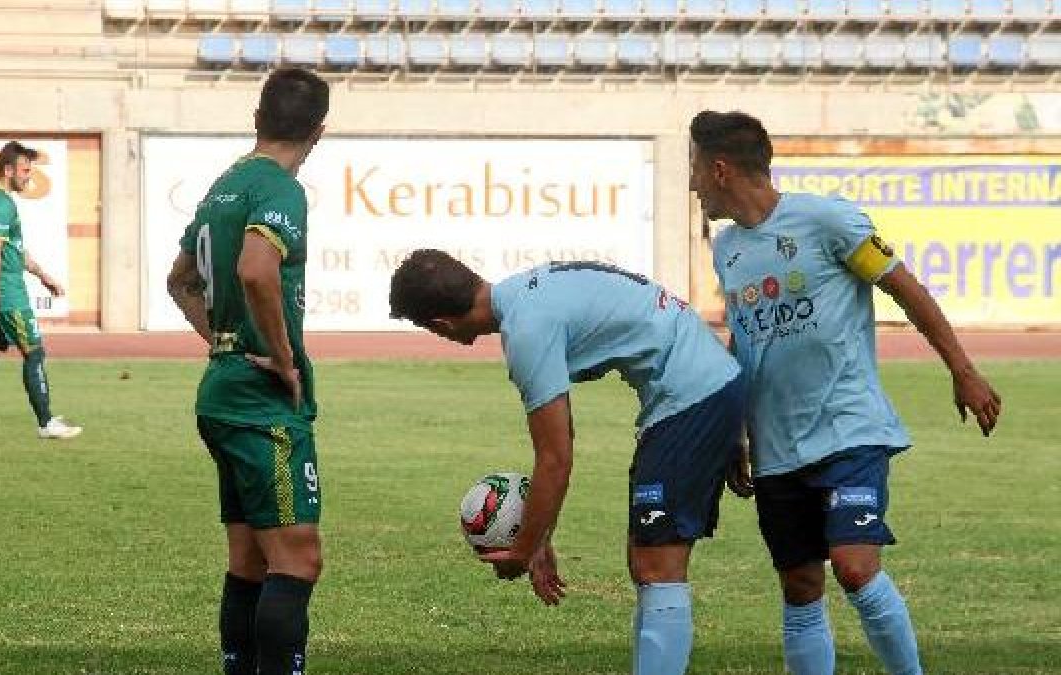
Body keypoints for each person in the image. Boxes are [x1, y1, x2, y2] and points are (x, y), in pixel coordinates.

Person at [690, 110, 1002, 675]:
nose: (691, 184)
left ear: (719, 169)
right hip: (777, 448)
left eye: (693, 168)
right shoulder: (727, 248)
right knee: (802, 586)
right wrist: (734, 430)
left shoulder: (829, 220)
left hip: (848, 431)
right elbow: (744, 338)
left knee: (855, 568)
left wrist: (963, 368)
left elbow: (907, 291)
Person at [389, 250, 746, 675]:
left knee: (656, 564)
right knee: (648, 561)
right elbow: (561, 445)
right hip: (705, 387)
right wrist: (538, 535)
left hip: (692, 397)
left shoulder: (526, 329)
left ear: (439, 325)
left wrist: (523, 551)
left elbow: (556, 458)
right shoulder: (526, 293)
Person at [166, 67, 329, 675]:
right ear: (320, 130)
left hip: (222, 391)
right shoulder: (280, 189)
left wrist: (224, 341)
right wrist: (282, 357)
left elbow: (178, 280)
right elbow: (258, 270)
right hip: (262, 404)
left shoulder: (221, 187)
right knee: (298, 559)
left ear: (256, 119)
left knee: (249, 559)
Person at [0, 141, 82, 441]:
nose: (29, 176)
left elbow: (13, 249)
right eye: (25, 170)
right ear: (8, 170)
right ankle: (46, 423)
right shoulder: (1, 202)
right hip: (6, 291)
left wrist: (43, 276)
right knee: (34, 352)